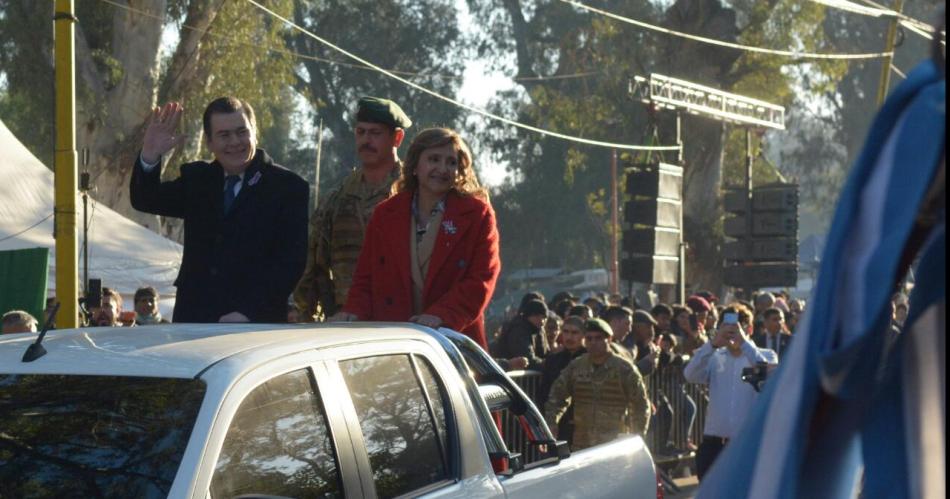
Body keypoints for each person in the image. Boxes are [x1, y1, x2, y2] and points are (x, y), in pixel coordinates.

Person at [130, 98, 309, 323]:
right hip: (195, 320)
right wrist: (150, 155)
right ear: (209, 143)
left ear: (255, 133)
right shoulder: (197, 180)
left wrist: (248, 311)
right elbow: (145, 199)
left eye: (242, 132)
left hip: (254, 323)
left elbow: (291, 262)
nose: (235, 142)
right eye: (224, 135)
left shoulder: (288, 187)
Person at [338, 128, 500, 349]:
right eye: (434, 159)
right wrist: (352, 312)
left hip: (451, 343)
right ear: (415, 165)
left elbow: (481, 280)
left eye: (451, 162)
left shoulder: (478, 215)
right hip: (392, 344)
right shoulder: (385, 214)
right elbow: (365, 278)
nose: (442, 169)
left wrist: (442, 315)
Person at [294, 97, 412, 321]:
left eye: (375, 133)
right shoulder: (337, 199)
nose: (366, 140)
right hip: (347, 319)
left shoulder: (413, 194)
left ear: (397, 137)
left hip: (401, 319)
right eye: (361, 132)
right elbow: (313, 263)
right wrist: (304, 313)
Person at [684, 305, 778, 480]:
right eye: (726, 329)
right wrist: (712, 343)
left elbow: (767, 375)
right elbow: (690, 374)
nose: (731, 334)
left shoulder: (766, 355)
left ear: (749, 329)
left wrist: (744, 343)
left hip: (747, 444)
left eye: (736, 329)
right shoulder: (713, 357)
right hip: (714, 444)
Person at [544, 318, 651, 450]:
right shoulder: (576, 367)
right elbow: (556, 396)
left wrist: (637, 437)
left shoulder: (624, 369)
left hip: (613, 445)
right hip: (582, 445)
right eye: (589, 339)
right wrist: (551, 424)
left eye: (598, 338)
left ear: (609, 339)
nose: (593, 343)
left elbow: (640, 405)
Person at [537, 316, 587, 446]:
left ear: (583, 335)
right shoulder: (553, 360)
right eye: (566, 332)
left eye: (574, 333)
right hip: (559, 423)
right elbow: (544, 392)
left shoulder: (590, 359)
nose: (569, 337)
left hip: (584, 423)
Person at [491, 299, 549, 369]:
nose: (542, 321)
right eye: (537, 316)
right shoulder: (518, 330)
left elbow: (545, 353)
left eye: (544, 317)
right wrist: (549, 364)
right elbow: (528, 360)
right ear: (528, 316)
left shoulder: (537, 330)